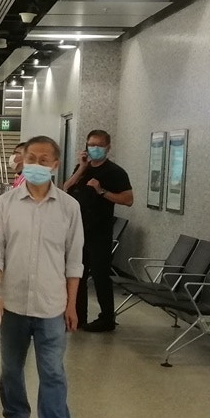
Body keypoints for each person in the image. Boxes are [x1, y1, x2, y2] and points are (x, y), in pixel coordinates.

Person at [0, 135, 83, 418]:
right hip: (12, 303)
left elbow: (74, 261)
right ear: (22, 160)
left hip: (52, 304)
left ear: (55, 165)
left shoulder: (70, 208)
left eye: (44, 159)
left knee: (53, 372)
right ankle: (16, 417)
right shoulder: (6, 204)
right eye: (31, 158)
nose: (37, 164)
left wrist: (71, 305)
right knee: (11, 368)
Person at [62, 130, 133, 332]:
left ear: (108, 148)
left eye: (99, 145)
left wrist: (102, 191)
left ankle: (107, 318)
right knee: (78, 274)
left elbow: (128, 199)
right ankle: (78, 316)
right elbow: (65, 189)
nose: (94, 149)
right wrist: (81, 168)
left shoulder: (116, 172)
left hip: (100, 231)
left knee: (101, 275)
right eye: (91, 145)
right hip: (78, 230)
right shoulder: (82, 169)